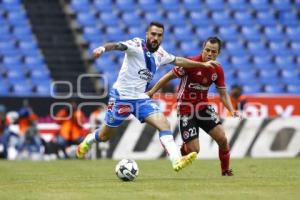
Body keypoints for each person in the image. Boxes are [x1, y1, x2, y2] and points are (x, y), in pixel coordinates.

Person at [76, 21, 219, 172]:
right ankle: (88, 140)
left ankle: (176, 160)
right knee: (105, 135)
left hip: (140, 99)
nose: (155, 37)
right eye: (153, 34)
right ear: (147, 34)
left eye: (159, 35)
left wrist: (201, 65)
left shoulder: (161, 54)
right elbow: (117, 45)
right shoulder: (136, 44)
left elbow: (178, 60)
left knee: (164, 124)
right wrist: (103, 48)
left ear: (162, 37)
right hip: (121, 98)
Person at [147, 36, 241, 176]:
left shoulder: (217, 70)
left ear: (218, 54)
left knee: (222, 138)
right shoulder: (190, 63)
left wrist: (232, 110)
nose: (210, 54)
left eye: (213, 52)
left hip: (203, 107)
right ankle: (178, 151)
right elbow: (168, 76)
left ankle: (225, 171)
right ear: (203, 49)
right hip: (186, 109)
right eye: (207, 50)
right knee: (194, 150)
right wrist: (152, 92)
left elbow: (222, 93)